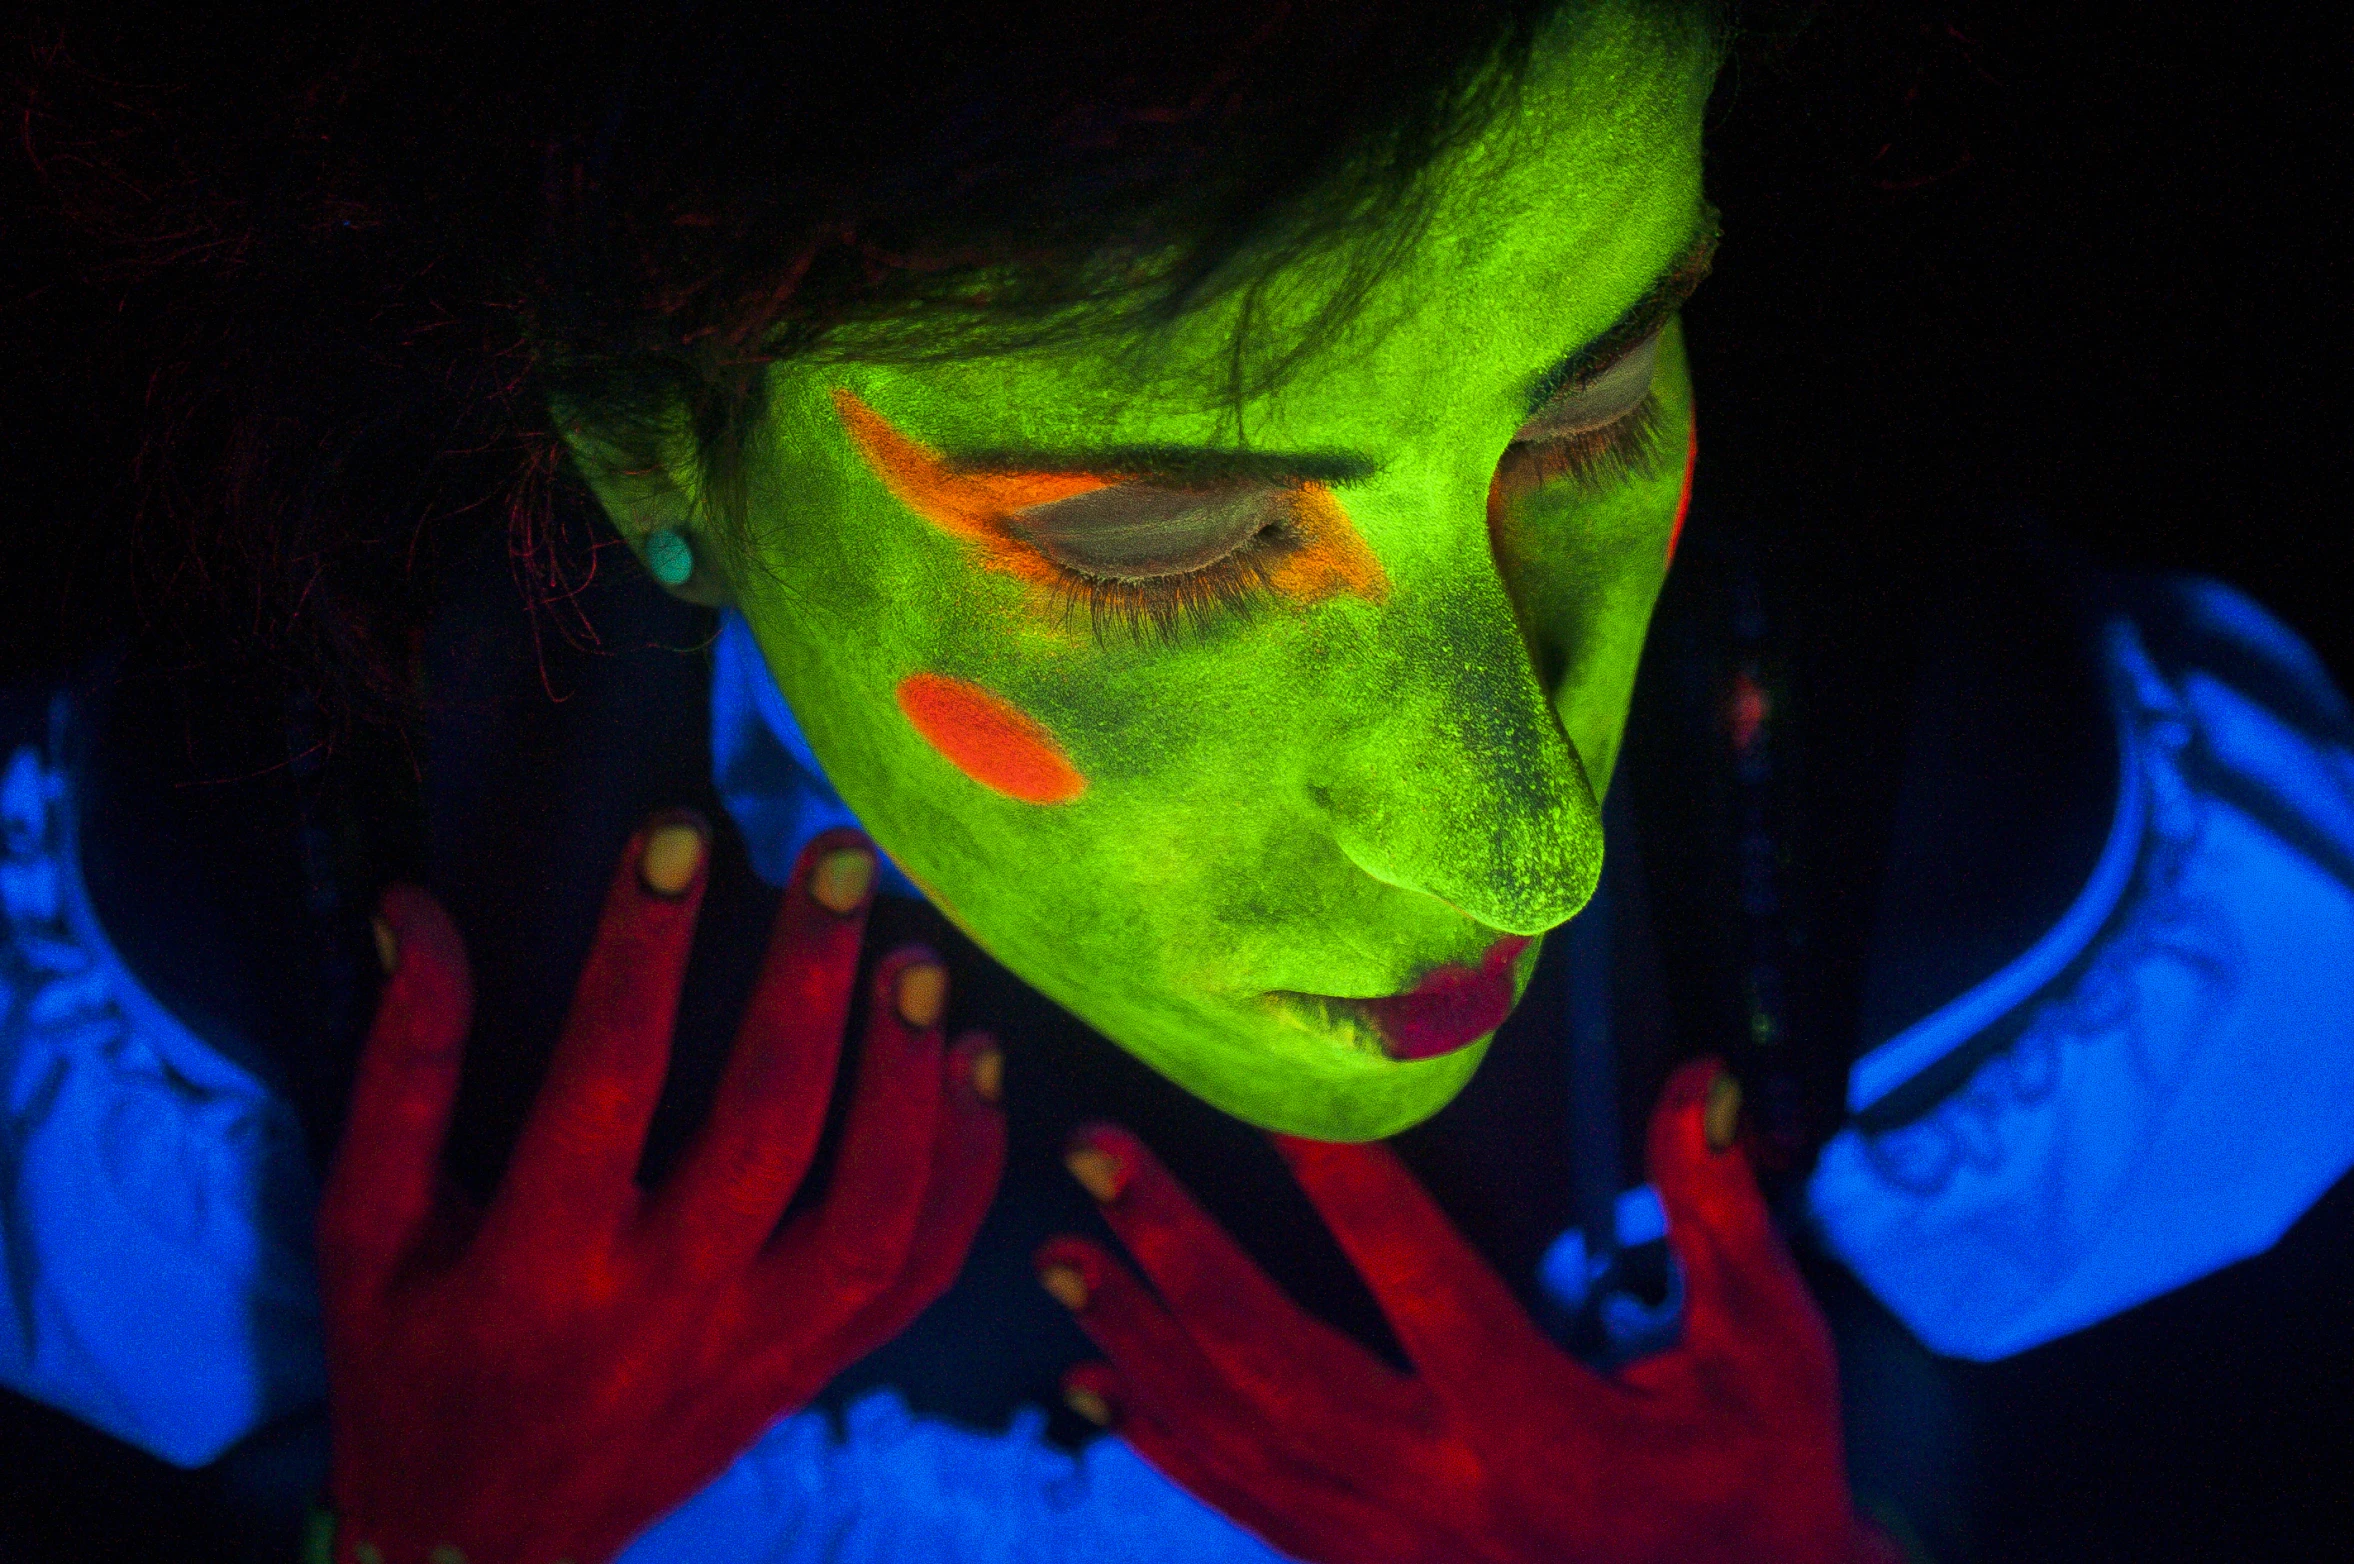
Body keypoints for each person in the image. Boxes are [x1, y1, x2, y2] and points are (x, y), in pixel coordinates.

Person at [6, 1, 2353, 1560]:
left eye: (1596, 402)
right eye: (1159, 540)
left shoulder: (1978, 853)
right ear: (644, 440)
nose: (1520, 838)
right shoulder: (215, 951)